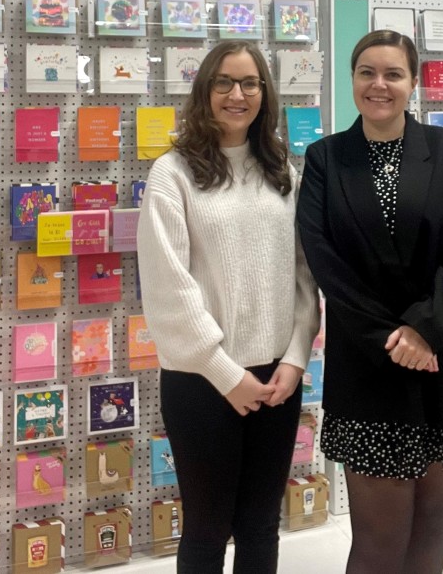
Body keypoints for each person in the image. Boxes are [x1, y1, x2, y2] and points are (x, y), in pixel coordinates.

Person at [297, 29, 443, 574]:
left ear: (413, 83)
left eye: (393, 73)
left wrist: (425, 330)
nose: (379, 84)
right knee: (378, 538)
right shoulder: (324, 159)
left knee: (430, 523)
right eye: (367, 72)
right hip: (373, 366)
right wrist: (393, 341)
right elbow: (324, 260)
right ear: (351, 80)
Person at [137, 40, 319, 574]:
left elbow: (304, 273)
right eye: (223, 82)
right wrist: (225, 372)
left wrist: (295, 357)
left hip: (276, 380)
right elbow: (167, 285)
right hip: (202, 379)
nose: (236, 95)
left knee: (262, 527)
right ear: (204, 90)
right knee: (207, 528)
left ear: (265, 93)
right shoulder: (172, 174)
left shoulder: (283, 169)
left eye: (250, 83)